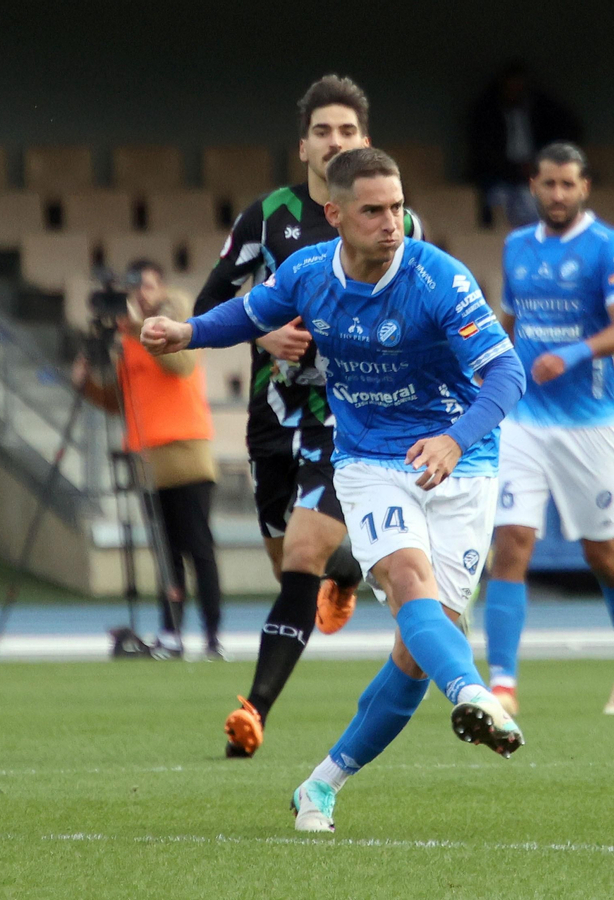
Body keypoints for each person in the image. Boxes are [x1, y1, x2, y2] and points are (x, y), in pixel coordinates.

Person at [142, 147, 527, 833]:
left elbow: (507, 374)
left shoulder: (438, 277)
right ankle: (473, 692)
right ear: (336, 214)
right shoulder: (309, 272)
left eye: (397, 207)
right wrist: (187, 332)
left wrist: (453, 439)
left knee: (417, 651)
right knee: (409, 583)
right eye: (373, 211)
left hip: (460, 464)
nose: (391, 223)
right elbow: (251, 312)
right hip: (369, 460)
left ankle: (321, 784)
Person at [194, 75, 425, 758]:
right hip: (272, 417)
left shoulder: (400, 225)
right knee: (290, 564)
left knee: (301, 553)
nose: (335, 141)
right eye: (322, 131)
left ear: (365, 140)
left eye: (347, 131)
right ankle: (346, 572)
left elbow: (421, 310)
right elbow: (209, 303)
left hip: (348, 418)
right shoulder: (267, 218)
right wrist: (263, 334)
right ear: (303, 146)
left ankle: (253, 711)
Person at [482, 142, 614, 715]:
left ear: (584, 188)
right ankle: (502, 685)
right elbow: (509, 323)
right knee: (511, 542)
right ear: (533, 186)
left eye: (568, 184)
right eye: (548, 184)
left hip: (588, 423)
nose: (557, 194)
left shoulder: (608, 246)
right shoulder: (516, 247)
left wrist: (573, 353)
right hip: (524, 419)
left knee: (603, 555)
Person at [77, 260, 223, 659]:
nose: (141, 294)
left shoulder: (175, 319)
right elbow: (123, 402)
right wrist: (87, 383)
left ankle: (212, 635)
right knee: (166, 555)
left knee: (199, 549)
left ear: (162, 288)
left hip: (186, 453)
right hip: (148, 461)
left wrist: (138, 325)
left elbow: (180, 364)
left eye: (148, 285)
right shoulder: (129, 340)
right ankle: (170, 633)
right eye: (135, 287)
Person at [466, 62, 581, 228]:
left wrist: (540, 165)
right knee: (501, 202)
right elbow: (484, 155)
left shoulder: (541, 112)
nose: (516, 92)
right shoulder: (488, 115)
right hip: (500, 180)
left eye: (520, 87)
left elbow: (568, 130)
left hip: (535, 177)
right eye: (511, 88)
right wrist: (516, 169)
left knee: (545, 204)